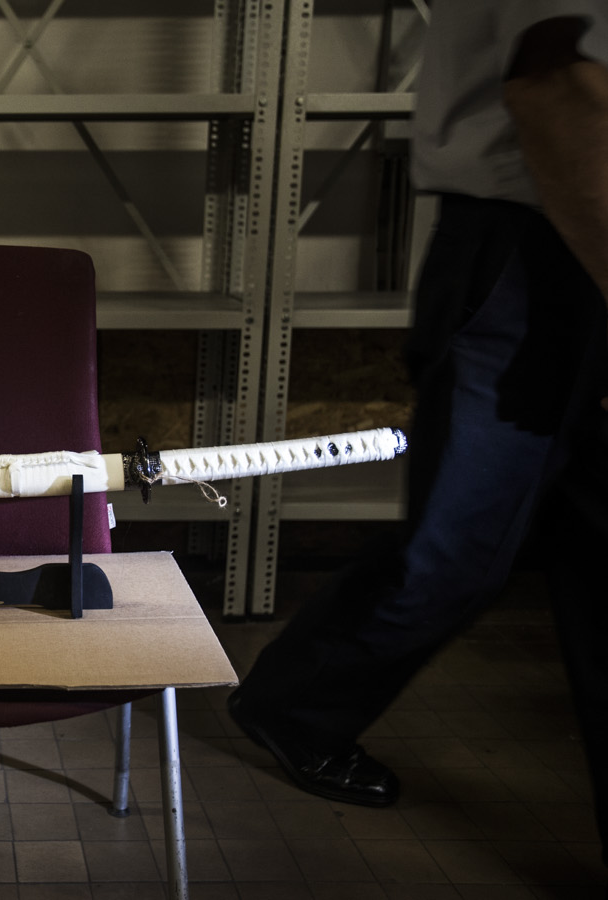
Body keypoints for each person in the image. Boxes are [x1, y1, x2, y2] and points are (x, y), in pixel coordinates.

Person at [227, 0, 608, 870]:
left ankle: (295, 702)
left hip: (555, 237)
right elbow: (559, 85)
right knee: (456, 548)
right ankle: (293, 704)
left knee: (511, 548)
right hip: (543, 242)